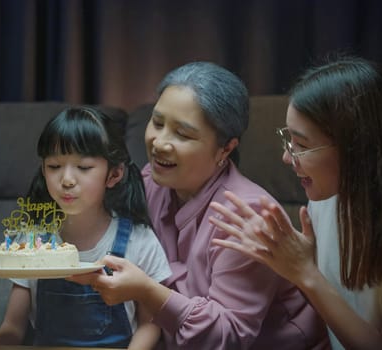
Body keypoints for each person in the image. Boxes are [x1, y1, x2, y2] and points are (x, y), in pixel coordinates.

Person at [69, 62, 329, 349]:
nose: (160, 143)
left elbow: (228, 336)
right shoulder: (150, 185)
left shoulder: (248, 215)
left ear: (226, 148)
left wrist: (147, 291)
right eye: (157, 123)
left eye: (183, 134)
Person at [0, 106, 171, 349]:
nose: (66, 180)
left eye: (83, 167)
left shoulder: (138, 240)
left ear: (114, 174)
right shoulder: (31, 243)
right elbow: (13, 327)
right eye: (55, 166)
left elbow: (150, 324)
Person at [209, 56, 382, 349]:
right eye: (289, 140)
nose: (287, 158)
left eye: (301, 145)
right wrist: (291, 265)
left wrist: (305, 273)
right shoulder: (324, 200)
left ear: (356, 146)